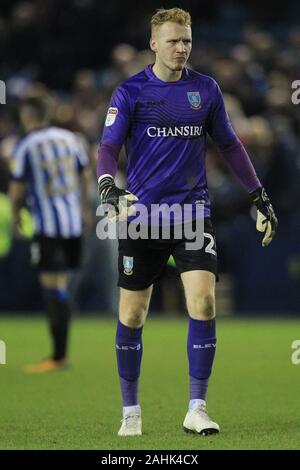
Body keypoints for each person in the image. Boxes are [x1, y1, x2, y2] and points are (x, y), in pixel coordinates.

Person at [97, 8, 278, 436]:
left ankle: (197, 407)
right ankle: (131, 412)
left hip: (192, 214)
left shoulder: (206, 90)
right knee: (133, 315)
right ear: (154, 44)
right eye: (174, 40)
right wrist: (107, 183)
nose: (182, 48)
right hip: (142, 216)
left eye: (188, 41)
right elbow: (108, 146)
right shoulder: (130, 92)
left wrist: (258, 193)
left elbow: (231, 146)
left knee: (204, 302)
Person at [9, 96, 92, 373]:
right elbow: (85, 175)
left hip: (47, 225)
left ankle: (58, 356)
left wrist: (16, 216)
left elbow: (18, 187)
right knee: (61, 284)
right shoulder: (71, 138)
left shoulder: (26, 145)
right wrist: (84, 210)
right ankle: (61, 350)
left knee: (51, 285)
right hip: (73, 224)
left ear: (27, 116)